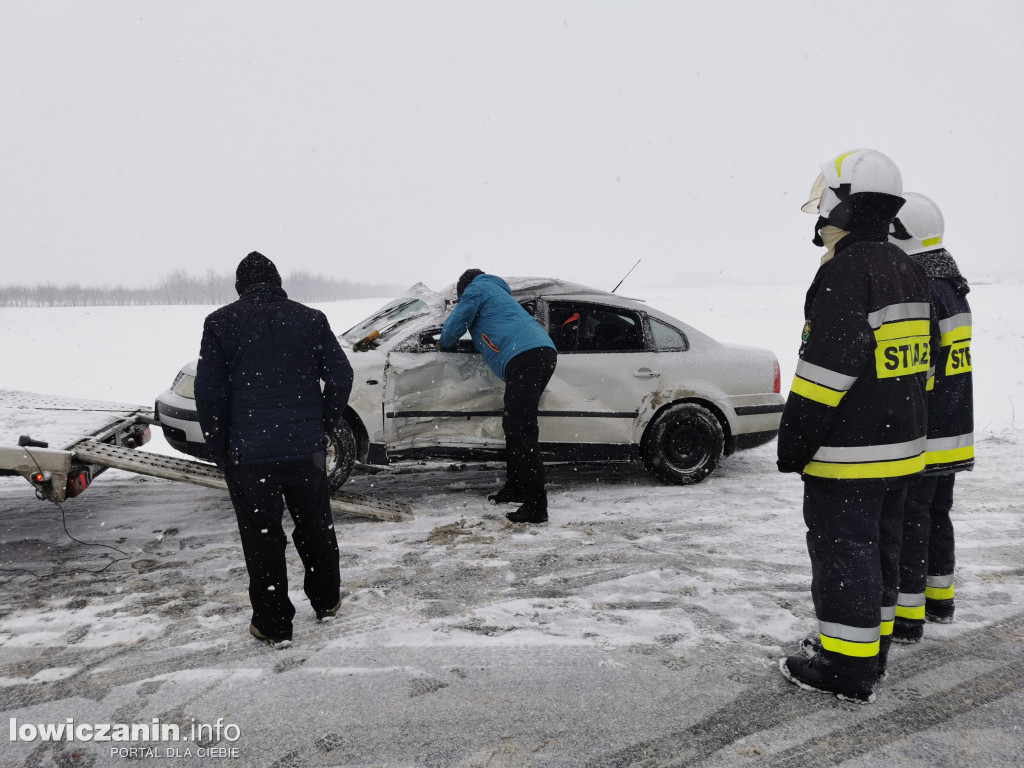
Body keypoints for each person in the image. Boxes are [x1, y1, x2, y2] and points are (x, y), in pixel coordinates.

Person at [776, 149, 933, 703]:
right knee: (881, 553)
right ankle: (871, 650)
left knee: (845, 555)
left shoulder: (847, 271)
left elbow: (824, 373)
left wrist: (794, 442)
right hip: (903, 450)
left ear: (845, 201)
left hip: (851, 453)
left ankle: (845, 669)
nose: (818, 213)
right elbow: (922, 366)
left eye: (825, 199)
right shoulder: (905, 266)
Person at [194, 251, 354, 646]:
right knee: (316, 527)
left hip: (249, 457)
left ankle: (273, 623)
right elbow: (341, 375)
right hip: (305, 451)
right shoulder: (310, 319)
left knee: (262, 537)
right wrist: (323, 425)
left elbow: (209, 393)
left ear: (239, 287)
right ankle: (327, 600)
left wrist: (220, 448)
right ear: (279, 282)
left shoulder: (220, 322)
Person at [890, 193, 974, 642]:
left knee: (911, 518)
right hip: (956, 426)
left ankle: (907, 617)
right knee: (937, 513)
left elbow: (916, 371)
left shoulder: (921, 289)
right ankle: (940, 600)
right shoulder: (951, 286)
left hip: (927, 430)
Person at [439, 269, 557, 524]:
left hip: (527, 356)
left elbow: (454, 326)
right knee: (513, 425)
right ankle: (516, 488)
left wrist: (445, 344)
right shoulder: (495, 292)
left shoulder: (476, 290)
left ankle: (537, 506)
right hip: (537, 353)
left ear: (464, 288)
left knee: (521, 428)